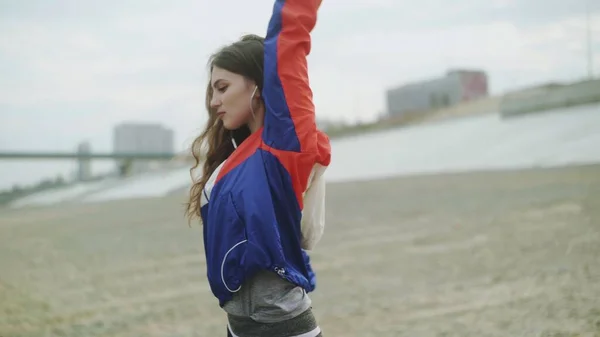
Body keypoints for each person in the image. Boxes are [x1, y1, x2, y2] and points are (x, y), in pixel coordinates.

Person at [185, 0, 331, 336]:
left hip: (283, 326)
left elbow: (288, 38)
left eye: (222, 88)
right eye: (211, 91)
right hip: (237, 328)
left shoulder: (284, 143)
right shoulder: (233, 162)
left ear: (258, 85)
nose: (213, 101)